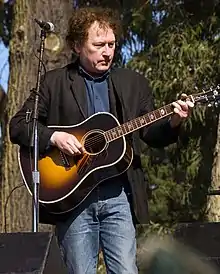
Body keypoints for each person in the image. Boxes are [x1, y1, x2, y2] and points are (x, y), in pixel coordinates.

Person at [9, 7, 194, 274]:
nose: (107, 52)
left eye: (111, 44)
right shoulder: (54, 82)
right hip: (72, 200)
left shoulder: (133, 83)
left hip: (118, 196)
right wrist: (54, 136)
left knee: (126, 270)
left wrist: (175, 121)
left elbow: (152, 135)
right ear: (76, 46)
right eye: (98, 45)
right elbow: (18, 126)